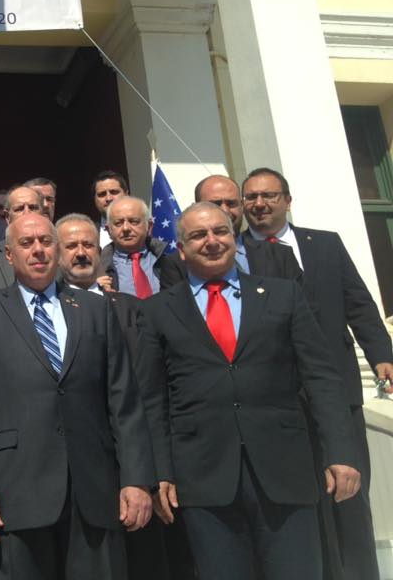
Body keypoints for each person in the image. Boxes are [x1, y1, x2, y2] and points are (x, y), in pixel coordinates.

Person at [133, 201, 362, 580]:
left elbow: (321, 378)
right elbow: (152, 397)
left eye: (220, 231)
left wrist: (340, 451)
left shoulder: (284, 295)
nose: (211, 241)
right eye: (198, 235)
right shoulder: (157, 310)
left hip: (285, 469)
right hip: (203, 476)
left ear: (233, 239)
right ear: (182, 250)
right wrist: (160, 471)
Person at [0, 212, 155, 579]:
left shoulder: (96, 309)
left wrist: (136, 479)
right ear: (9, 255)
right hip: (16, 491)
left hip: (93, 490)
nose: (38, 250)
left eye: (46, 241)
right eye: (26, 243)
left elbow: (123, 401)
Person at [241, 167, 393, 580]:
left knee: (349, 495)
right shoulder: (234, 252)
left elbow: (359, 304)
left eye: (269, 195)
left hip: (337, 391)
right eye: (251, 197)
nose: (259, 204)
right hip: (278, 398)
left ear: (288, 201)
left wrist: (382, 354)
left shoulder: (324, 244)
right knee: (300, 500)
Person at [57, 213, 193, 580]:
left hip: (136, 465)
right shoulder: (42, 315)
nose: (81, 253)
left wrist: (153, 472)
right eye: (71, 246)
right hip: (76, 476)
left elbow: (152, 392)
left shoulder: (134, 309)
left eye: (88, 244)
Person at [158, 174, 300, 288]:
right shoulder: (176, 264)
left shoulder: (279, 254)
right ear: (198, 207)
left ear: (242, 206)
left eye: (231, 203)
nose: (225, 210)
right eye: (215, 204)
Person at [100, 196, 167, 298]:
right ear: (109, 230)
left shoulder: (168, 260)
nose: (126, 228)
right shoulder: (98, 270)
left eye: (134, 221)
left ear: (149, 226)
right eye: (118, 223)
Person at [91, 170, 128, 249]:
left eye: (114, 192)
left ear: (126, 194)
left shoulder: (143, 226)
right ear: (94, 199)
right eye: (102, 194)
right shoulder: (88, 231)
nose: (108, 198)